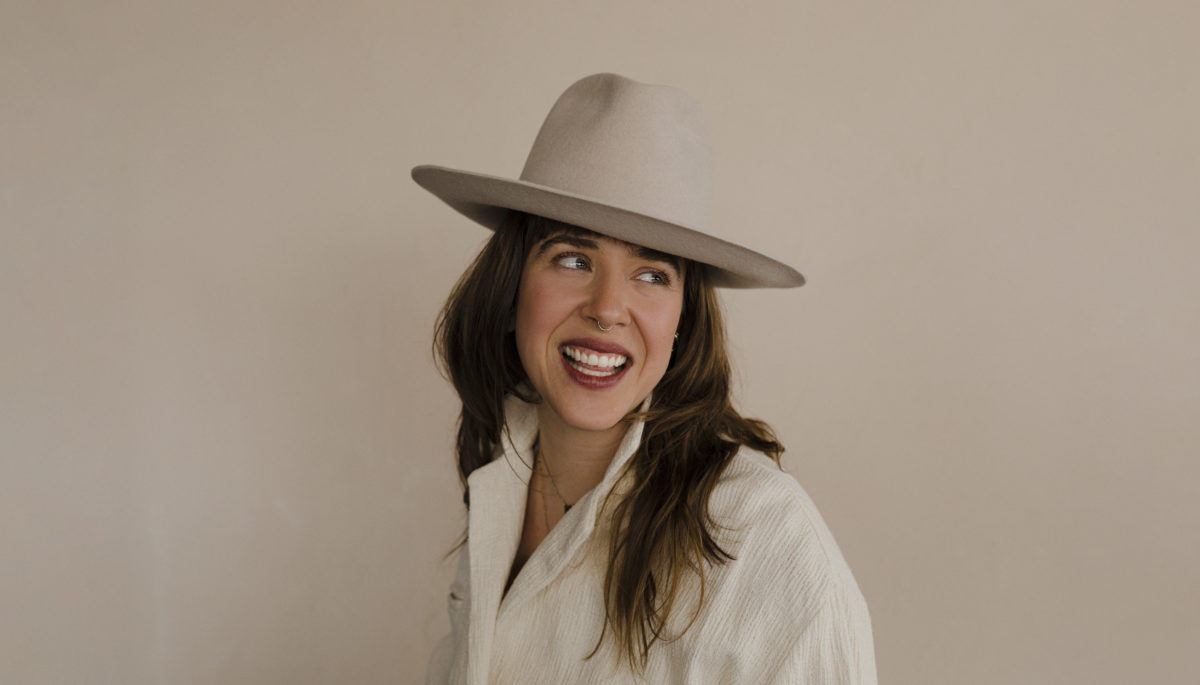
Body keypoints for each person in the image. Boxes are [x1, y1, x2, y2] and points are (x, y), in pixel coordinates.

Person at [413, 73, 876, 684]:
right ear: (510, 289)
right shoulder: (501, 471)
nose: (608, 307)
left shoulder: (763, 537)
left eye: (652, 274)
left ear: (685, 316)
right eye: (573, 259)